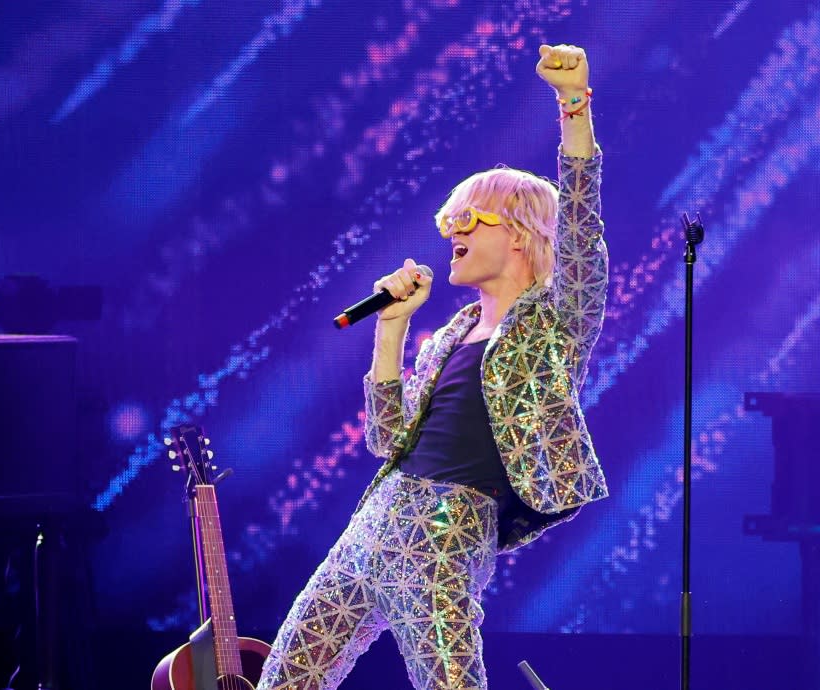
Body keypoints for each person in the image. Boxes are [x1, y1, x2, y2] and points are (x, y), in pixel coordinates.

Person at [258, 43, 609, 690]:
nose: (451, 230)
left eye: (467, 217)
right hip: (374, 522)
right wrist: (391, 328)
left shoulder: (555, 327)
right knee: (283, 680)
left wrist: (572, 104)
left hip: (447, 531)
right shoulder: (450, 334)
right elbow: (388, 439)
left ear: (521, 235)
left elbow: (582, 226)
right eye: (448, 219)